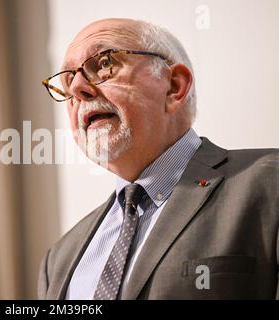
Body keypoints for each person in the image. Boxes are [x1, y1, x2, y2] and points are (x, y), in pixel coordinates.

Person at [38, 18, 279, 300]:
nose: (78, 87)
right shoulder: (58, 259)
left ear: (174, 86)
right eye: (68, 80)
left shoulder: (268, 182)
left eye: (104, 63)